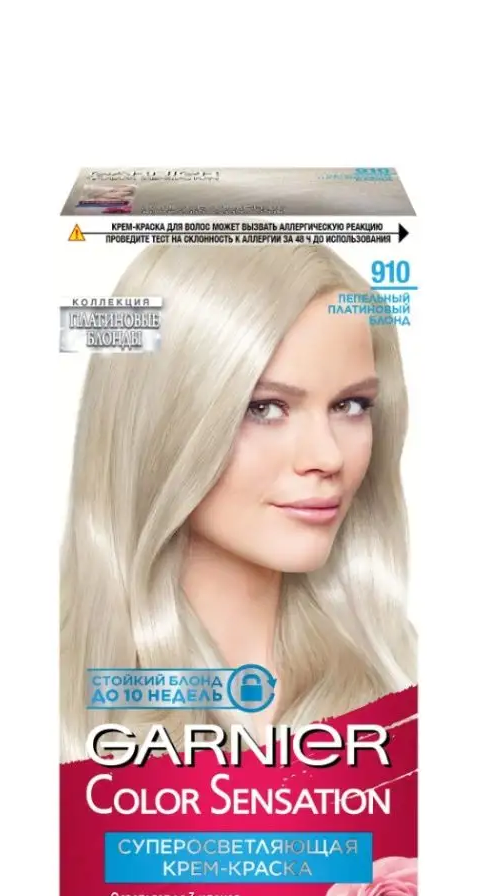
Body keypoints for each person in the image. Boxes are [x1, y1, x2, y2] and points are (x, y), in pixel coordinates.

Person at [60, 244, 415, 762]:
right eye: (265, 408)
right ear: (161, 422)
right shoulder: (61, 703)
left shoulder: (401, 687)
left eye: (351, 405)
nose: (327, 456)